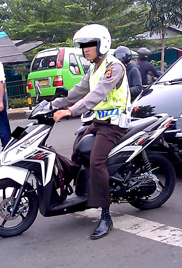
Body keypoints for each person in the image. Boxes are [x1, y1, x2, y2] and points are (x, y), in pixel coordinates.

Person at [51, 24, 131, 240]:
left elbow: (95, 95)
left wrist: (70, 111)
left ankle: (105, 215)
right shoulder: (93, 68)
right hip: (99, 122)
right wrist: (52, 104)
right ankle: (81, 192)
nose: (85, 49)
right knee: (78, 148)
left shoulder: (114, 67)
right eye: (83, 46)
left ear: (101, 44)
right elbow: (77, 91)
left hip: (114, 125)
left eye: (89, 45)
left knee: (97, 161)